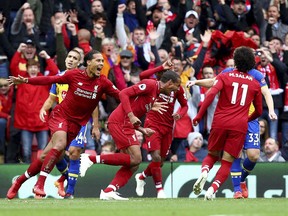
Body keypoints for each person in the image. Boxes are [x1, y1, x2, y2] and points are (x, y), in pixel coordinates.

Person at [6, 50, 120, 199]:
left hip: (77, 124)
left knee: (45, 156)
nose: (101, 64)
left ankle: (19, 181)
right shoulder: (71, 75)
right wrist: (27, 80)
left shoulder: (102, 82)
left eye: (102, 62)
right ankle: (40, 184)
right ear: (88, 63)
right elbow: (49, 80)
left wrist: (143, 97)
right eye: (97, 61)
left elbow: (119, 96)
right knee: (60, 145)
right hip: (60, 116)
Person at [79, 61, 181, 200]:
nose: (177, 89)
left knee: (134, 163)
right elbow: (124, 94)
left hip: (127, 124)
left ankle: (109, 190)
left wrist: (142, 129)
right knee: (136, 158)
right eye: (177, 85)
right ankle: (90, 159)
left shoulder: (156, 94)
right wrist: (131, 116)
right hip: (119, 121)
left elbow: (135, 108)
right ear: (169, 83)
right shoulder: (150, 85)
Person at [187, 52, 277, 199]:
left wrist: (271, 110)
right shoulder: (233, 74)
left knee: (253, 155)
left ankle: (238, 179)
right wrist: (196, 82)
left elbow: (266, 93)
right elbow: (213, 81)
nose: (230, 66)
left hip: (241, 120)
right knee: (233, 154)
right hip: (240, 121)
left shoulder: (257, 76)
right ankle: (237, 190)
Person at [39, 49, 92, 199]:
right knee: (57, 153)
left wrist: (95, 124)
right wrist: (44, 108)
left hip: (79, 119)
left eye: (74, 58)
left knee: (75, 151)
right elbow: (51, 99)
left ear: (79, 62)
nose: (70, 60)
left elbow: (93, 102)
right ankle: (65, 179)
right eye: (69, 56)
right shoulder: (59, 78)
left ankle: (70, 192)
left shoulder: (85, 78)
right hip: (62, 120)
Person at [134, 62, 188, 198]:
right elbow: (142, 75)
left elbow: (185, 106)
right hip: (152, 124)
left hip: (168, 127)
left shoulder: (178, 89)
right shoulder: (155, 84)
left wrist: (179, 114)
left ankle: (142, 176)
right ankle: (160, 190)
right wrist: (160, 67)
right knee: (156, 157)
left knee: (161, 161)